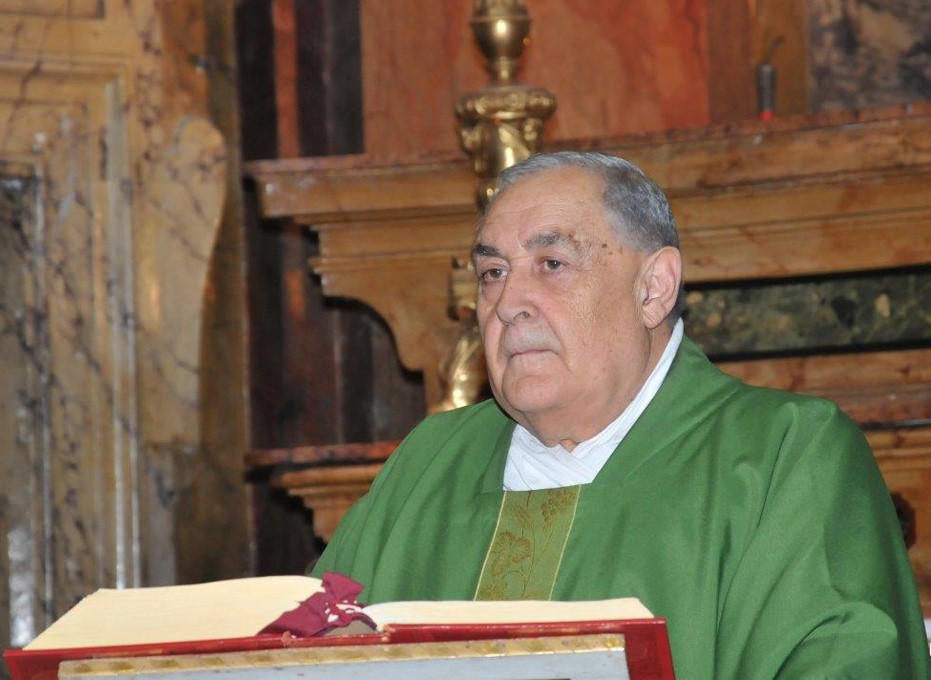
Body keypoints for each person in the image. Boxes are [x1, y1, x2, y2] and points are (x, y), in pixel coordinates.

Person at [313, 151, 930, 678]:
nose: (507, 303)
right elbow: (294, 652)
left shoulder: (785, 454)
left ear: (654, 288)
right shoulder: (428, 463)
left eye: (552, 264)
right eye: (493, 272)